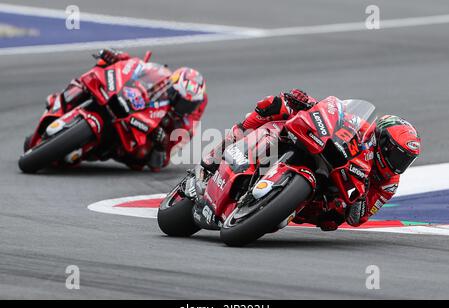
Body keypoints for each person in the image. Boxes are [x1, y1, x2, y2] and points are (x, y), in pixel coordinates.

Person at [202, 89, 421, 230]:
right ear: (382, 141)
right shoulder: (362, 128)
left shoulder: (388, 184)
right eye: (396, 155)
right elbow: (334, 112)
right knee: (277, 105)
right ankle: (225, 146)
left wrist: (355, 199)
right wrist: (308, 103)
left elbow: (358, 218)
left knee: (331, 221)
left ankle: (268, 208)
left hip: (326, 196)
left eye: (405, 160)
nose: (398, 164)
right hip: (318, 150)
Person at [45, 49, 208, 172]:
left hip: (130, 139)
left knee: (139, 154)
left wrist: (160, 143)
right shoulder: (161, 77)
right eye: (180, 99)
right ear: (172, 89)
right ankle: (58, 104)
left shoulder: (187, 124)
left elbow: (160, 162)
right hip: (126, 101)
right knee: (91, 78)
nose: (183, 107)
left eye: (188, 104)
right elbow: (135, 66)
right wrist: (116, 56)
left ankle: (85, 147)